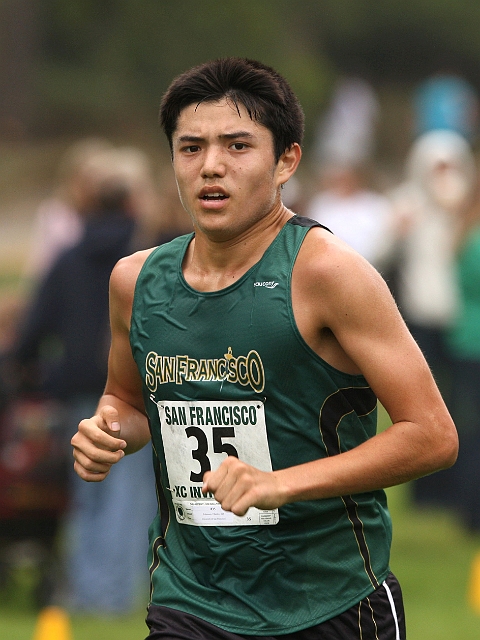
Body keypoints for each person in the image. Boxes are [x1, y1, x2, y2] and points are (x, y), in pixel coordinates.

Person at [71, 58, 458, 639]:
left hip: (328, 602)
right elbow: (127, 403)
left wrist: (280, 482)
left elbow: (432, 434)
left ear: (287, 161)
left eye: (237, 145)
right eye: (191, 148)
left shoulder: (328, 274)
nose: (212, 167)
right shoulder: (136, 281)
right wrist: (106, 434)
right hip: (191, 598)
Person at [14, 146, 158, 614]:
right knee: (129, 496)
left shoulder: (69, 257)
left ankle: (87, 590)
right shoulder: (148, 260)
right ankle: (115, 595)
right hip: (134, 395)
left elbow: (33, 329)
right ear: (132, 203)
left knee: (87, 489)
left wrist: (31, 369)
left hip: (79, 389)